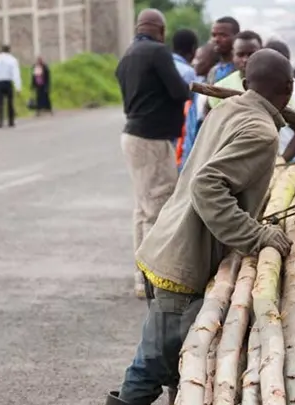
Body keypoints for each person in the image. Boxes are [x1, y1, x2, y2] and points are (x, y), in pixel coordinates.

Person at [89, 50, 295, 405]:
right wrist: (255, 235)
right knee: (153, 361)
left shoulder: (230, 108)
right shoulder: (260, 130)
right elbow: (208, 184)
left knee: (176, 360)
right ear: (289, 89)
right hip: (181, 261)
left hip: (164, 244)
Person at [116, 9, 191, 298]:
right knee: (157, 206)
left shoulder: (127, 55)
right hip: (152, 138)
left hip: (133, 136)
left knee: (142, 207)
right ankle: (152, 278)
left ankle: (141, 275)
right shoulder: (159, 53)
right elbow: (179, 91)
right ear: (160, 30)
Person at [208, 31, 262, 106]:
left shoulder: (275, 85)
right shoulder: (220, 87)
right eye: (240, 54)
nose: (245, 59)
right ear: (233, 55)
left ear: (262, 52)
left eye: (251, 54)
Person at [0, 44, 21, 128]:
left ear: (1, 50)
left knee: (0, 103)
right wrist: (18, 88)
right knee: (10, 102)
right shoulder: (13, 59)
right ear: (9, 50)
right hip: (8, 82)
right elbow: (16, 74)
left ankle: (0, 121)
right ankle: (11, 121)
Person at [207, 16, 240, 84]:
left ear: (236, 36)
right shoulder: (213, 71)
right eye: (214, 35)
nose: (216, 40)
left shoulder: (242, 69)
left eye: (223, 35)